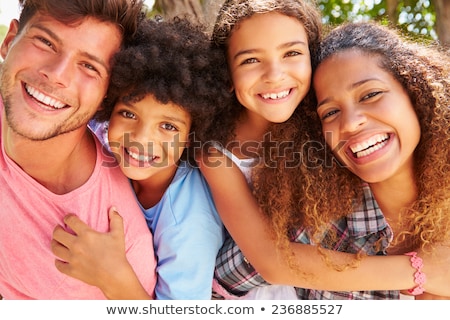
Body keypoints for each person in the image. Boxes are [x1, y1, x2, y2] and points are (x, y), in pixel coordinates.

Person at [197, 0, 450, 300]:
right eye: (330, 112)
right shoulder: (315, 203)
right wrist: (419, 272)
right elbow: (266, 262)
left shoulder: (317, 154)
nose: (275, 74)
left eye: (291, 53)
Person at [51, 16, 231, 299]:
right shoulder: (99, 131)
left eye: (168, 126)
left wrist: (113, 276)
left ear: (192, 135)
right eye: (128, 114)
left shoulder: (188, 222)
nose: (141, 138)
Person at [0, 0, 157, 299]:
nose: (57, 74)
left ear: (106, 96)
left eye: (89, 66)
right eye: (45, 42)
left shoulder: (114, 242)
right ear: (9, 42)